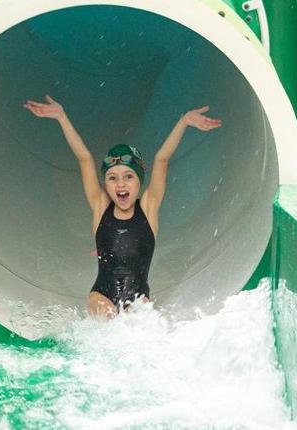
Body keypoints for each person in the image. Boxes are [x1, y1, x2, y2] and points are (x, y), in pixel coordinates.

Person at [23, 95, 222, 318]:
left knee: (139, 321)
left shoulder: (148, 208)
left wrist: (183, 122)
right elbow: (84, 158)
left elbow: (162, 158)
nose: (120, 184)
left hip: (138, 297)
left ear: (139, 181)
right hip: (101, 295)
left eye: (128, 176)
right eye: (112, 178)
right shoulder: (100, 207)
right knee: (108, 319)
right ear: (105, 184)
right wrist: (61, 116)